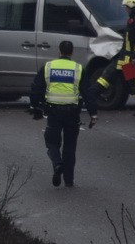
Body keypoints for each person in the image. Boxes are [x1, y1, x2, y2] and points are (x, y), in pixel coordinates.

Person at [29, 40, 99, 188]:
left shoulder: (48, 67)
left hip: (53, 111)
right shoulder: (78, 69)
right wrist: (93, 114)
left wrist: (36, 106)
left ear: (59, 51)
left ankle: (57, 164)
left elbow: (36, 88)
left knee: (52, 142)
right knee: (70, 146)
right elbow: (88, 93)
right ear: (72, 52)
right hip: (72, 112)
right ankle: (69, 181)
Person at [97, 0, 135, 116]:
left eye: (126, 7)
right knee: (134, 82)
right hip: (129, 57)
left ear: (132, 5)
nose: (125, 9)